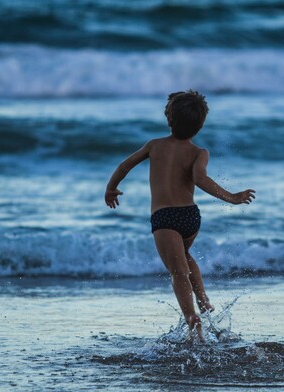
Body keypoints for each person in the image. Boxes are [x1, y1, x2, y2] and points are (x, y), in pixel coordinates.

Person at [104, 90, 255, 341]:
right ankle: (203, 300)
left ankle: (191, 317)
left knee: (177, 272)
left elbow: (125, 165)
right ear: (199, 125)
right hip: (190, 217)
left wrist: (111, 188)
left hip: (165, 219)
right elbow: (200, 179)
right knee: (184, 258)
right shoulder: (200, 152)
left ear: (168, 118)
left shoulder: (154, 145)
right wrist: (232, 197)